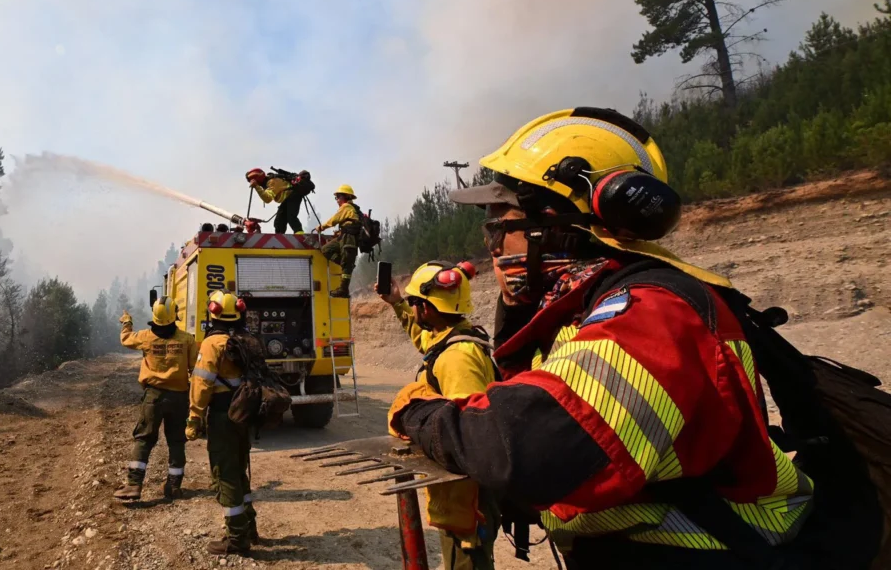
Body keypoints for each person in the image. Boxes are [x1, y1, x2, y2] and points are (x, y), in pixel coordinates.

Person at [388, 108, 824, 569]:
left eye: (500, 225)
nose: (493, 245)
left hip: (707, 552)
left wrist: (416, 410)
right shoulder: (594, 308)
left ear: (553, 222)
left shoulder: (653, 310)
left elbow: (532, 447)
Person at [380, 261, 499, 570]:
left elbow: (470, 435)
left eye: (414, 302)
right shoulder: (452, 337)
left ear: (428, 308)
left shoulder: (457, 359)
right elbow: (425, 340)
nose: (412, 308)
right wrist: (396, 304)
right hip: (462, 498)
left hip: (466, 502)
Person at [187, 290, 260, 556]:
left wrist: (194, 417)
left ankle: (237, 538)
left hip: (222, 414)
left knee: (225, 474)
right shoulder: (248, 339)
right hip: (244, 413)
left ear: (213, 312)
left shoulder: (211, 344)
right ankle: (249, 527)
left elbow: (201, 383)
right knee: (239, 470)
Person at [113, 296, 199, 502]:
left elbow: (125, 339)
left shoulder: (145, 337)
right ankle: (174, 486)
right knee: (177, 441)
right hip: (179, 397)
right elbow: (195, 369)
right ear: (174, 315)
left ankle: (134, 485)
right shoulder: (187, 339)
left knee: (144, 439)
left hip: (153, 396)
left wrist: (126, 321)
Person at [313, 184, 360, 298]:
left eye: (338, 197)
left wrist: (321, 227)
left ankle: (343, 290)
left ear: (345, 197)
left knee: (346, 266)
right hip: (343, 237)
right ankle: (346, 265)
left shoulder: (346, 207)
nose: (337, 200)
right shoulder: (350, 209)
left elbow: (334, 220)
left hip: (349, 239)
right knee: (326, 249)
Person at [246, 167, 306, 234]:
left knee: (291, 216)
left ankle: (300, 235)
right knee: (278, 222)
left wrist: (256, 187)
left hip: (293, 195)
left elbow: (268, 199)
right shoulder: (269, 181)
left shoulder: (272, 182)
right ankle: (279, 237)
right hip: (287, 199)